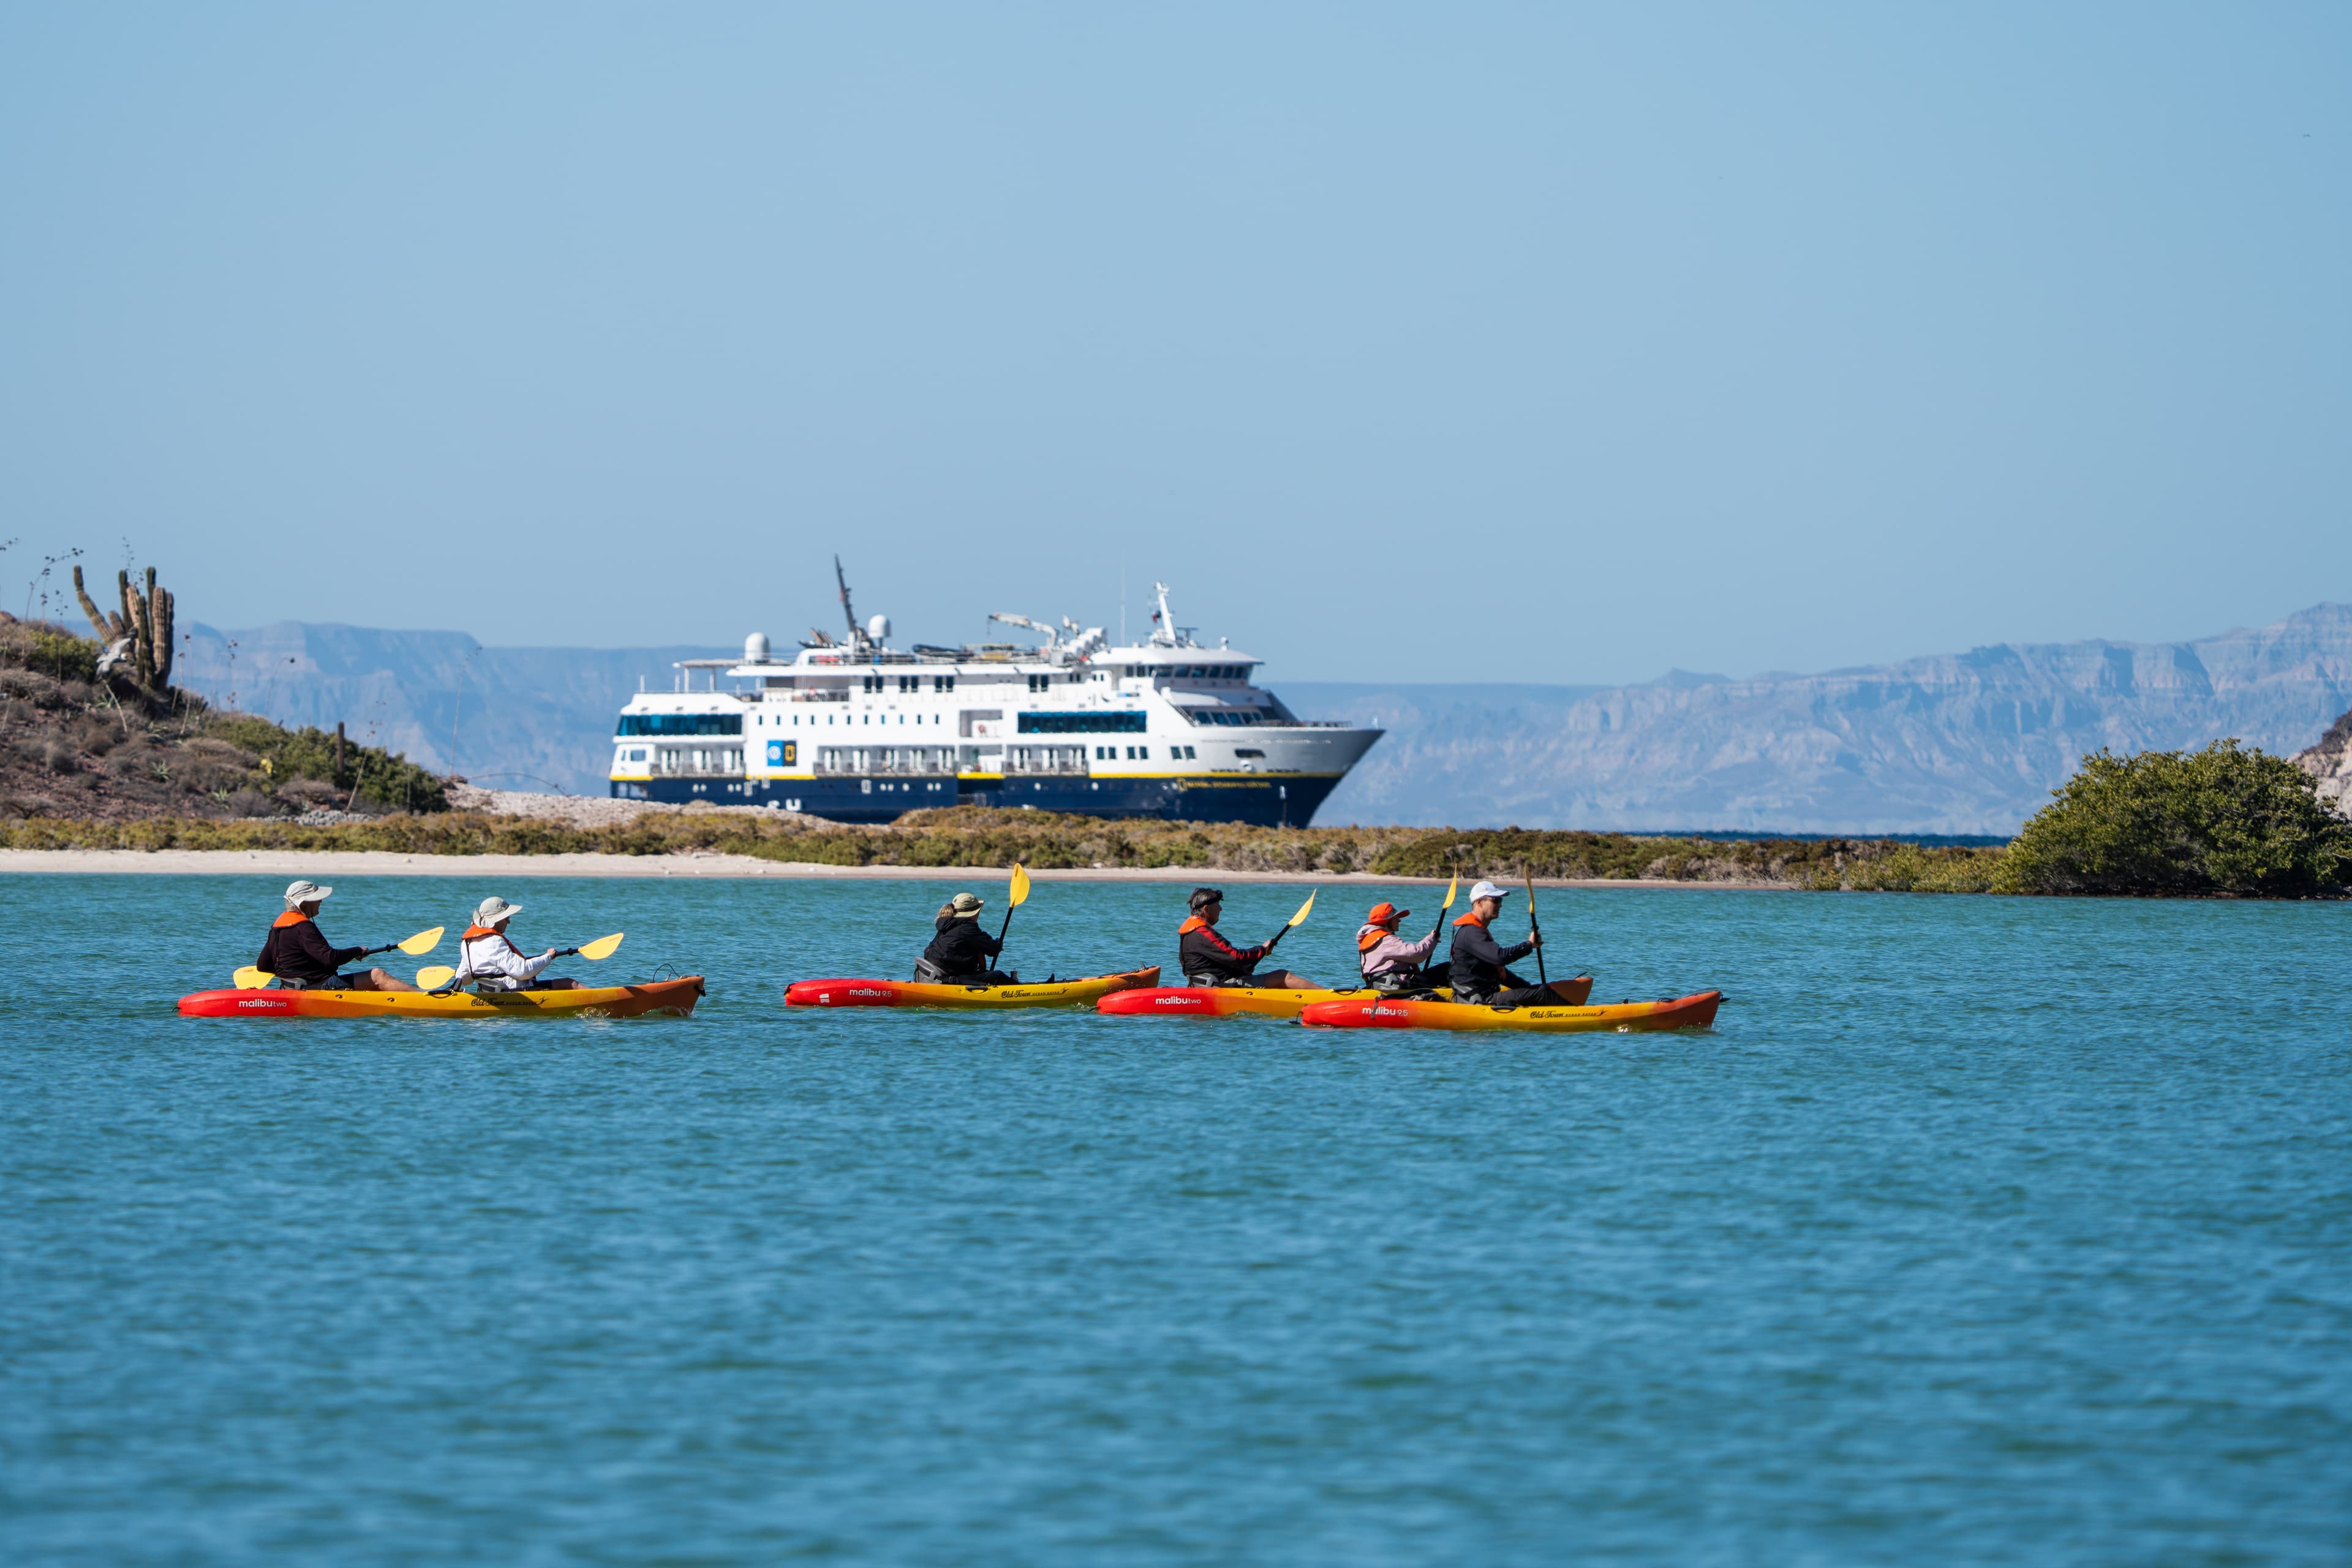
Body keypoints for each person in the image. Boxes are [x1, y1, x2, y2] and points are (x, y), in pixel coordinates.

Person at [255, 880, 420, 992]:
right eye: (317, 899)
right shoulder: (304, 927)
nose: (321, 902)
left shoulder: (277, 928)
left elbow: (263, 965)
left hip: (289, 988)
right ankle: (423, 999)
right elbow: (330, 958)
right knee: (377, 975)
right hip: (320, 987)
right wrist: (356, 950)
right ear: (304, 904)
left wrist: (298, 971)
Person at [1449, 880, 1582, 1008]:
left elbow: (1502, 974)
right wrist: (1529, 945)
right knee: (1544, 993)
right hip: (1479, 1001)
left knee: (1541, 991)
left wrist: (1528, 988)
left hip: (1485, 996)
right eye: (1495, 900)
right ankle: (1578, 1015)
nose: (1500, 905)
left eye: (1500, 900)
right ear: (1479, 903)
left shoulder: (1476, 931)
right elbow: (1500, 957)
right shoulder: (1471, 933)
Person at [1178, 886, 1322, 990]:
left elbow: (1223, 963)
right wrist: (1261, 950)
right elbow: (1234, 957)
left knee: (1276, 983)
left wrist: (1247, 966)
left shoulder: (1189, 932)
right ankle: (1329, 998)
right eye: (1218, 905)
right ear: (1206, 910)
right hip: (1220, 988)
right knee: (1283, 977)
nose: (1221, 909)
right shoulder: (1202, 933)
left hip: (1206, 985)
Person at [451, 896, 578, 991]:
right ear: (498, 919)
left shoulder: (467, 943)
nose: (509, 922)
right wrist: (548, 957)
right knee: (570, 984)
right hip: (513, 993)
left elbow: (464, 978)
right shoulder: (494, 941)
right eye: (507, 918)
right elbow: (522, 971)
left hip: (487, 994)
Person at [917, 891, 1014, 984]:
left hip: (930, 973)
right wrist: (999, 944)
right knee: (997, 976)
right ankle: (1023, 992)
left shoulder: (947, 924)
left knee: (985, 974)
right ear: (974, 913)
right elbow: (993, 949)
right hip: (947, 977)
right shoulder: (967, 927)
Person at [1356, 900, 1444, 992]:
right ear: (1387, 921)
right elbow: (1417, 954)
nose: (1399, 920)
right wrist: (1432, 939)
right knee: (1447, 968)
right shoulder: (1386, 940)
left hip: (1382, 984)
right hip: (1399, 985)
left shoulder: (1370, 937)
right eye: (1396, 918)